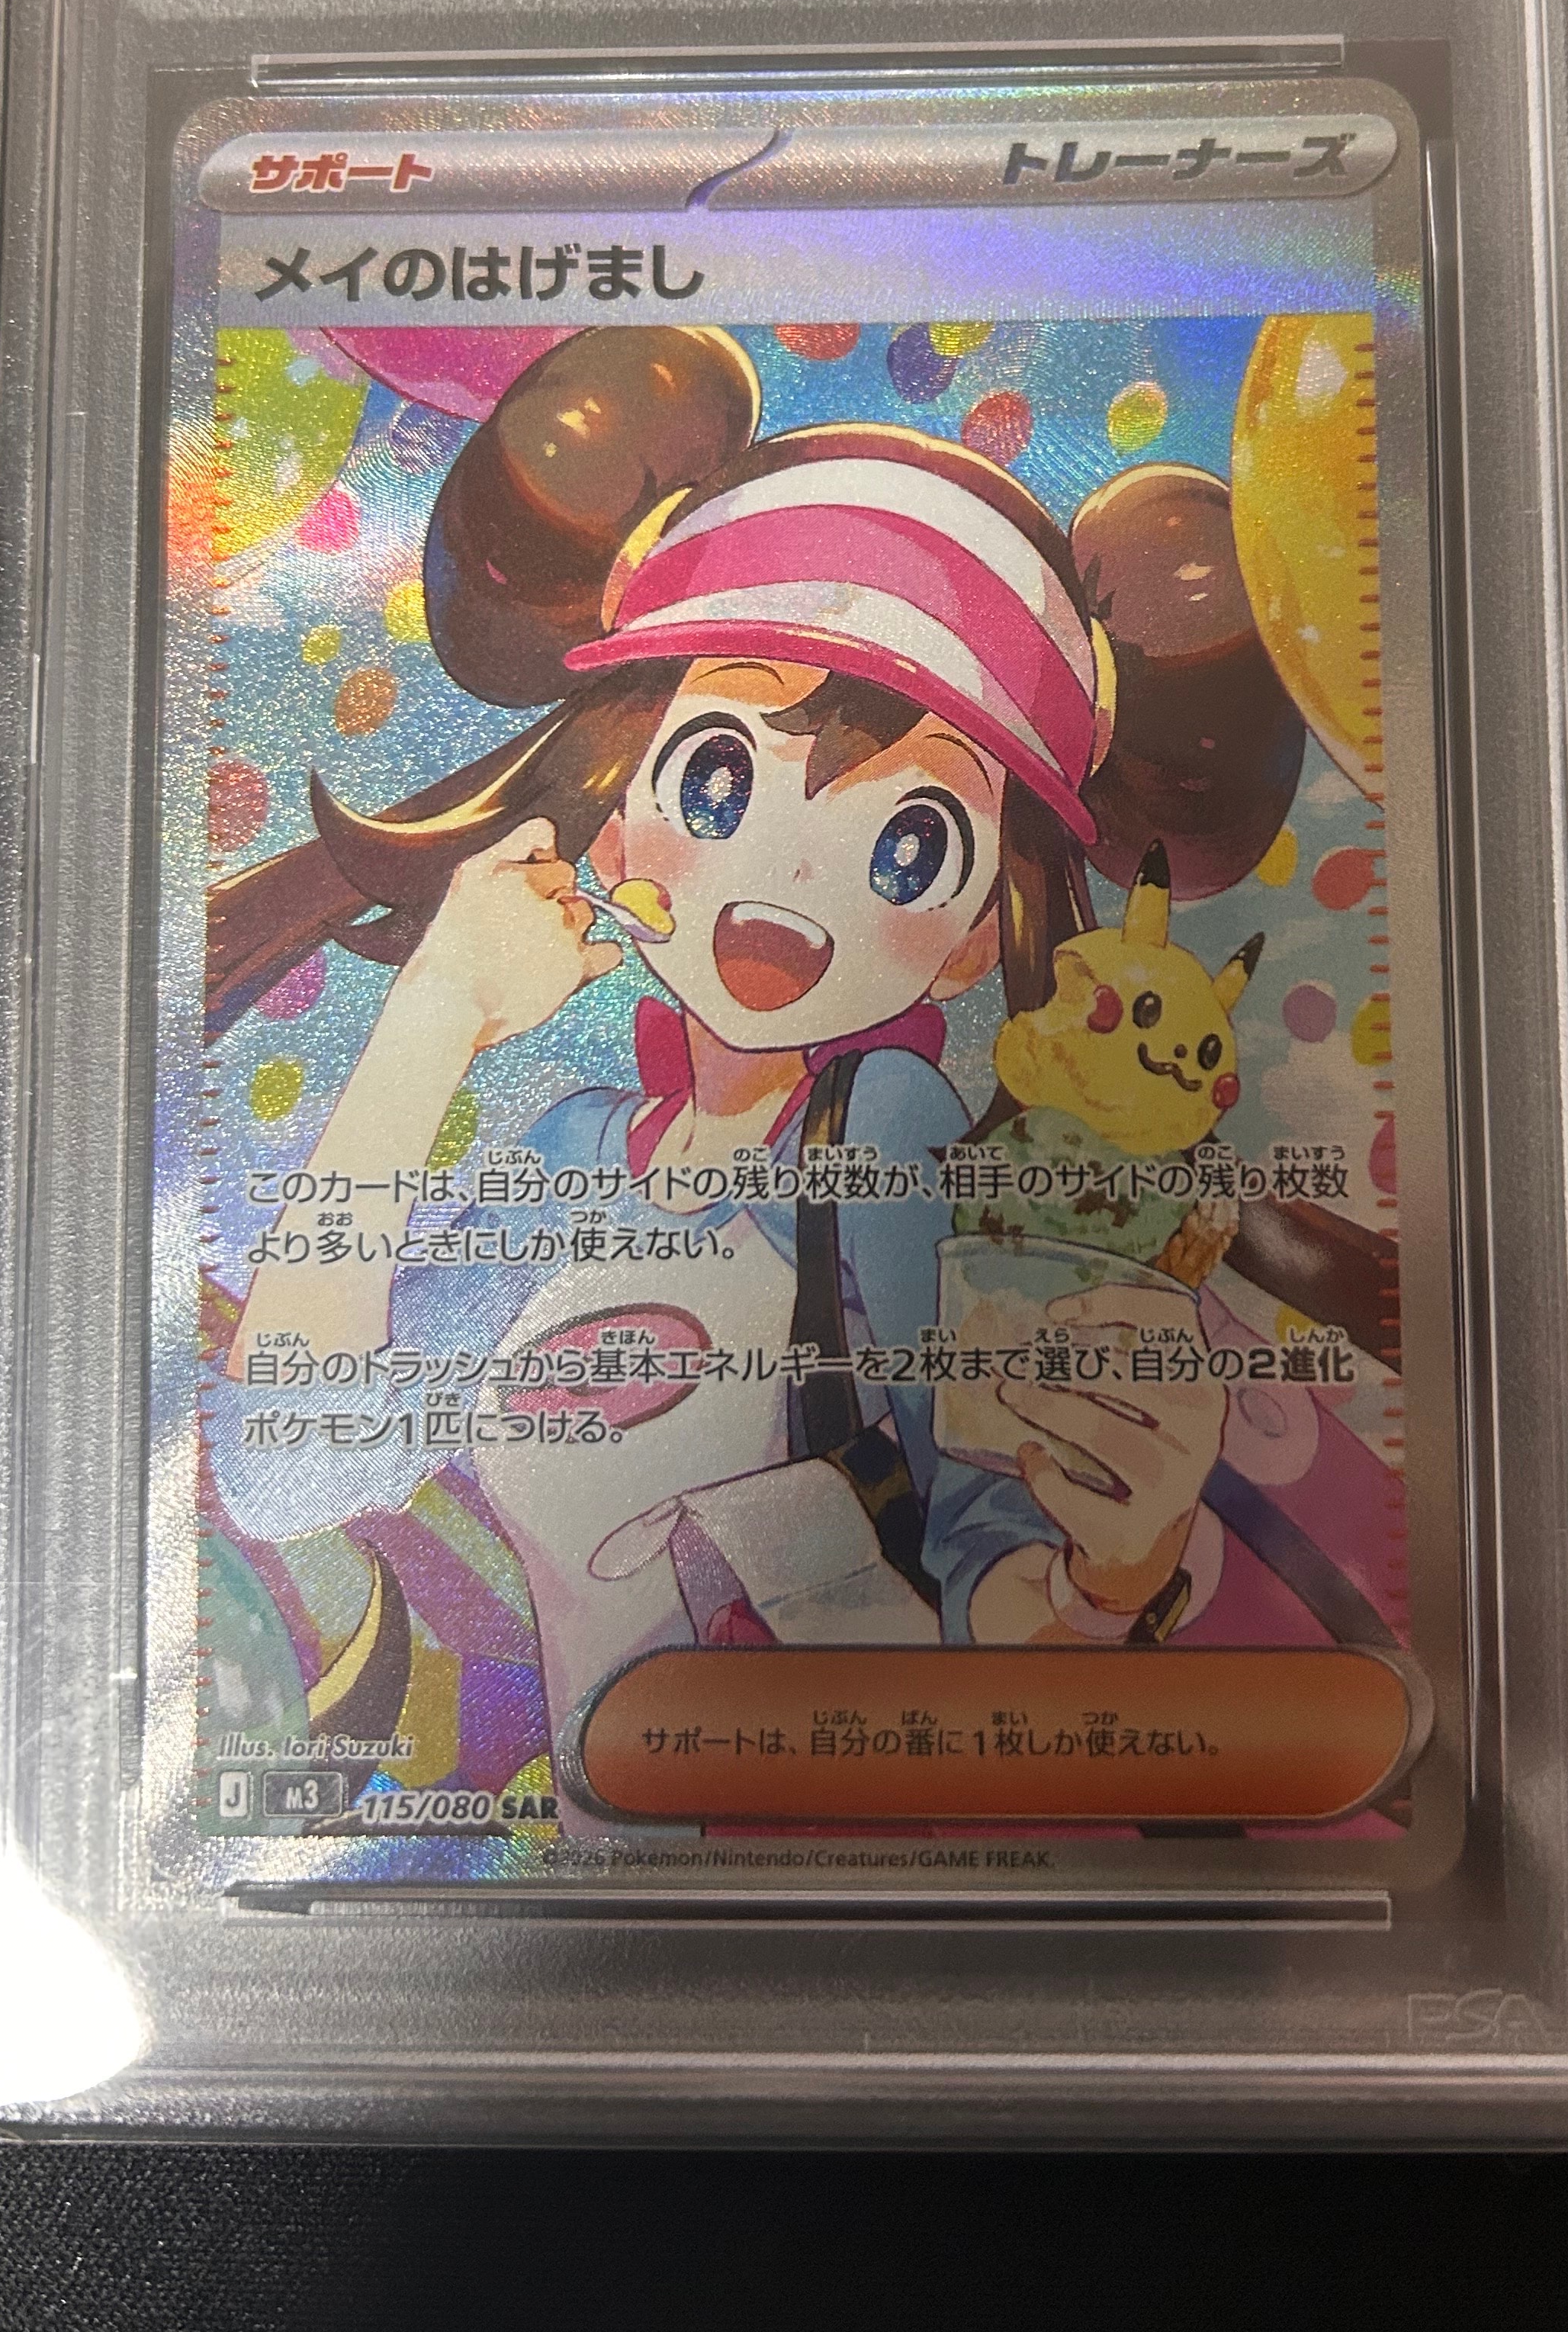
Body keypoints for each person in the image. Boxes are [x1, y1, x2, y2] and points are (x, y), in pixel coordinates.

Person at [203, 326, 1306, 1767]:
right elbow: (295, 1465)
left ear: (975, 937)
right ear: (614, 812)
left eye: (911, 844)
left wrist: (1114, 1573)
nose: (786, 881)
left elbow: (986, 1561)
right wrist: (432, 1020)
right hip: (609, 1857)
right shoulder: (576, 1151)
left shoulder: (888, 1123)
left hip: (833, 1818)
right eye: (719, 779)